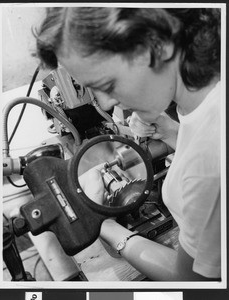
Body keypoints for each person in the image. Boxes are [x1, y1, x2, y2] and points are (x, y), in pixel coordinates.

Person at [34, 7, 221, 281]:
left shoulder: (208, 165)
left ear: (153, 47)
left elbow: (193, 284)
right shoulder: (203, 97)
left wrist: (103, 224)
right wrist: (174, 134)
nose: (106, 103)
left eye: (107, 85)